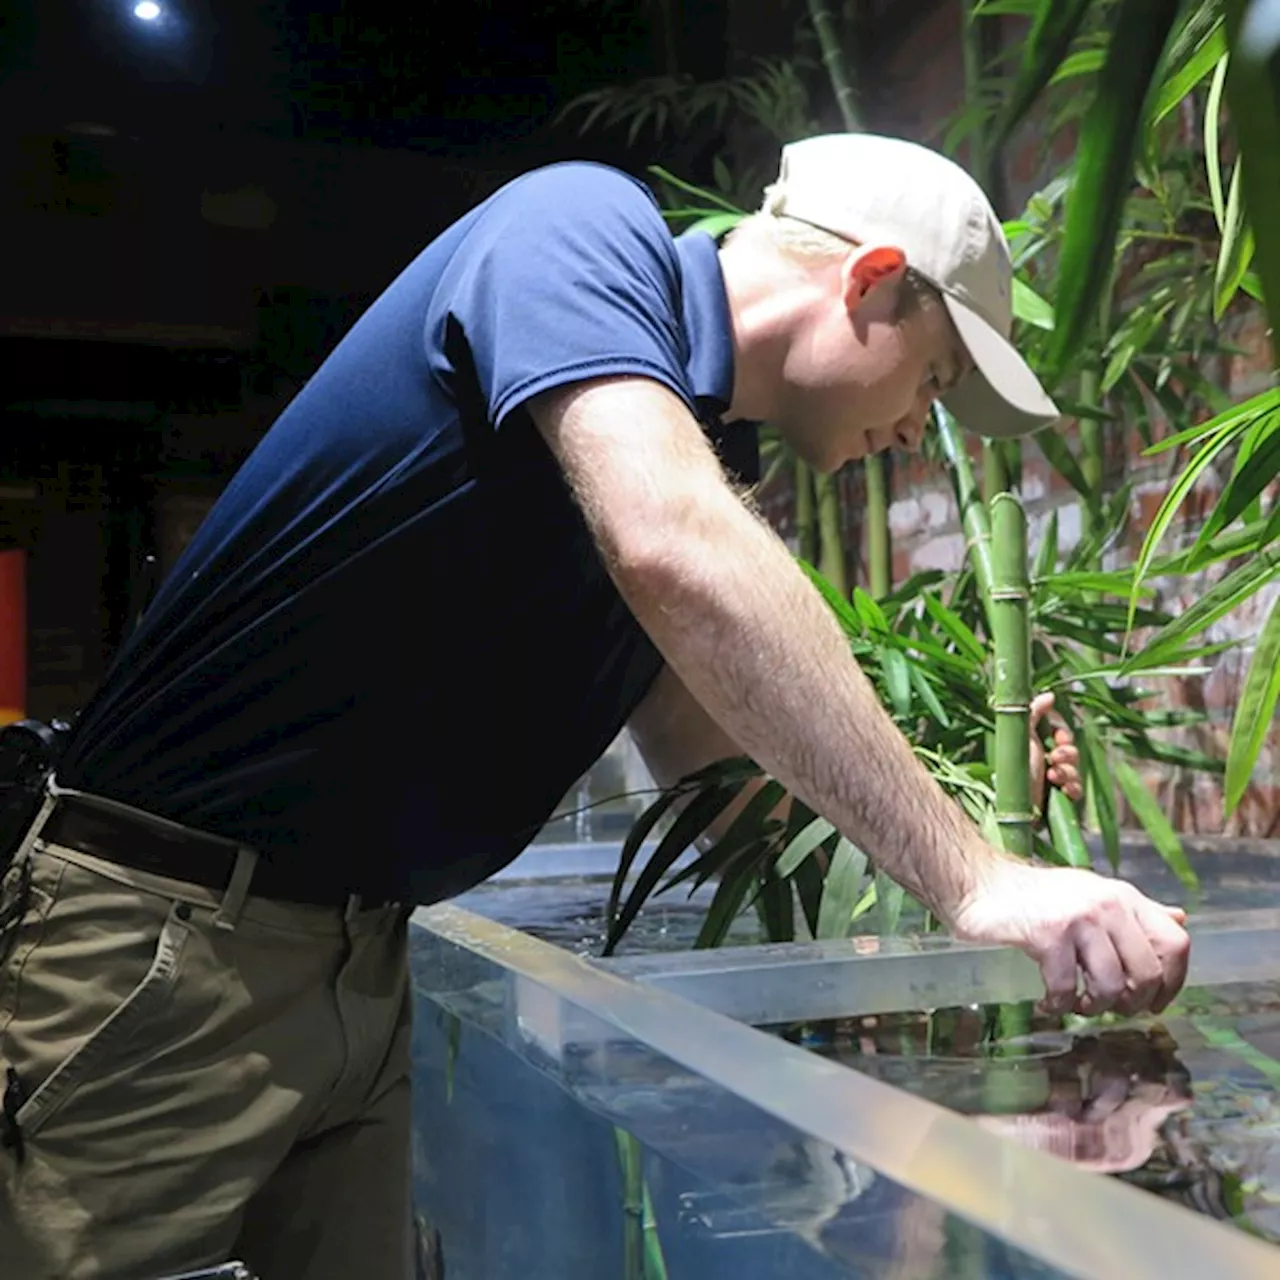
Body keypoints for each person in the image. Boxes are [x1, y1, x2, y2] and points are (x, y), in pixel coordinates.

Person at [0, 132, 1189, 1279]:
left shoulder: (670, 437)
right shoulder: (576, 231)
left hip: (359, 957)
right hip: (163, 931)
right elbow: (672, 541)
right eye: (932, 375)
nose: (917, 428)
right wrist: (976, 875)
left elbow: (726, 799)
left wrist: (981, 819)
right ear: (870, 282)